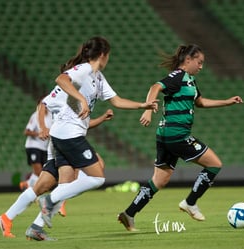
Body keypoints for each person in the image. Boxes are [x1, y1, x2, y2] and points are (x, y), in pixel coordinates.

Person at [117, 44, 243, 231]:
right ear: (188, 60)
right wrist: (148, 109)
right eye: (199, 62)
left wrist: (226, 102)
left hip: (165, 136)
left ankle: (129, 213)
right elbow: (156, 86)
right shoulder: (178, 76)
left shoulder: (190, 81)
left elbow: (200, 102)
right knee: (215, 164)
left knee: (160, 180)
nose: (201, 66)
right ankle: (190, 202)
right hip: (177, 135)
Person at [37, 36, 158, 230]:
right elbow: (60, 79)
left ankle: (36, 225)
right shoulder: (84, 69)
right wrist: (81, 100)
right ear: (103, 55)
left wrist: (142, 105)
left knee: (68, 181)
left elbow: (117, 101)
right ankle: (49, 201)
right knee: (96, 176)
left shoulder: (98, 77)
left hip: (67, 134)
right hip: (68, 134)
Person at [0, 89, 113, 240]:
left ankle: (7, 218)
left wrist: (102, 118)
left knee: (40, 187)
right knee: (81, 176)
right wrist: (42, 127)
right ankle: (45, 215)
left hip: (59, 144)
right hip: (64, 143)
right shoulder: (67, 92)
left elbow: (84, 124)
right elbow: (42, 104)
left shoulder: (76, 96)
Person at [19, 97, 52, 190]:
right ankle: (35, 191)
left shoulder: (50, 116)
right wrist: (40, 133)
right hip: (33, 146)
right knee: (39, 172)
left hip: (44, 148)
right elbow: (27, 132)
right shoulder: (36, 116)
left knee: (43, 172)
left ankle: (26, 184)